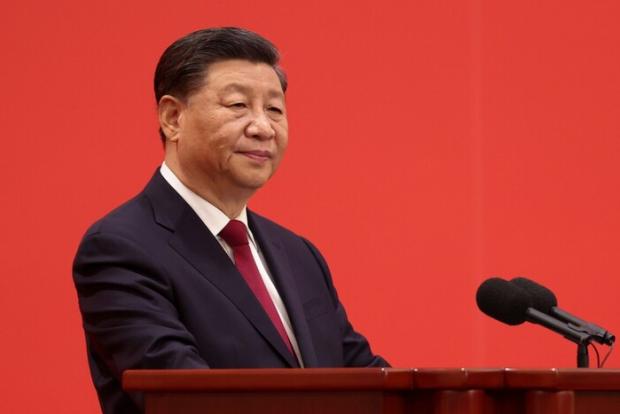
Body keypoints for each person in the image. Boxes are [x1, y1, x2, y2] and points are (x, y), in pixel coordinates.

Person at [73, 27, 388, 414]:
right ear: (173, 118)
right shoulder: (121, 249)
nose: (263, 127)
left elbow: (364, 379)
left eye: (274, 109)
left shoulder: (299, 254)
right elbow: (186, 397)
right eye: (238, 105)